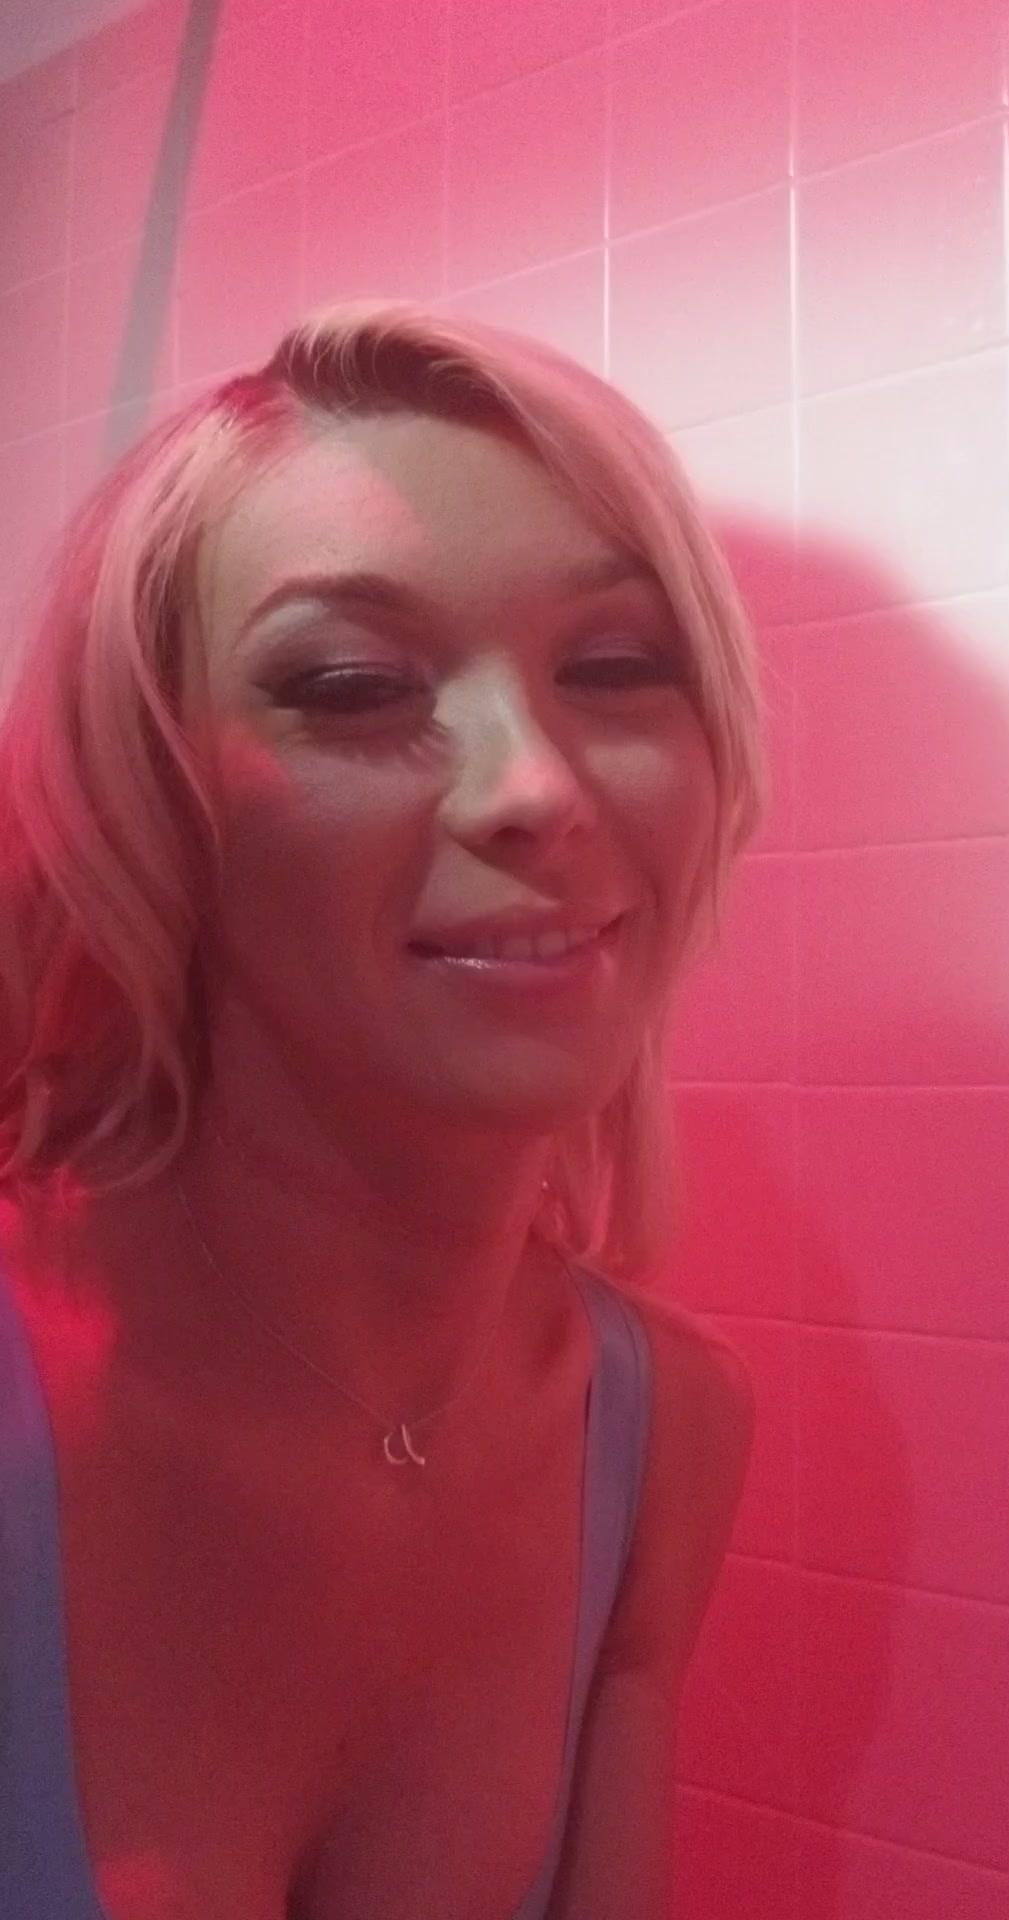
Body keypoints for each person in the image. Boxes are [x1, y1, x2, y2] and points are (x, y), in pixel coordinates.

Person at [0, 300, 765, 1920]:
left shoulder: (659, 1440)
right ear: (155, 799)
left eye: (615, 666)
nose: (534, 787)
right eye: (351, 686)